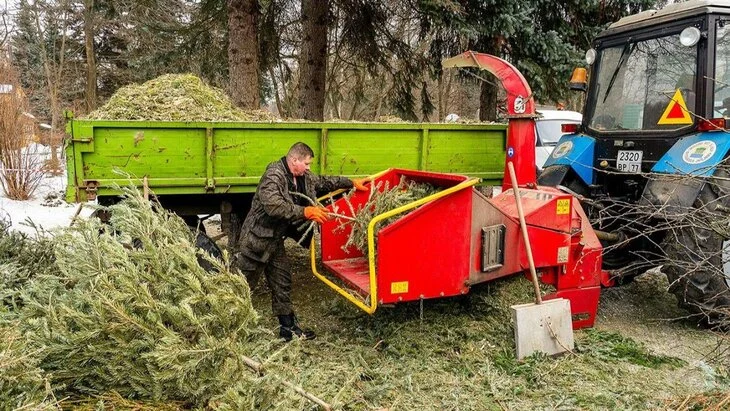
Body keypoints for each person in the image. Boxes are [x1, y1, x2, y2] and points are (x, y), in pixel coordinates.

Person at [235, 142, 368, 341]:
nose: (308, 167)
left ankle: (288, 329)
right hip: (256, 240)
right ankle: (223, 326)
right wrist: (305, 211)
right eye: (306, 163)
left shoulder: (302, 177)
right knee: (240, 285)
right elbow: (273, 205)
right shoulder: (274, 176)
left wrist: (350, 182)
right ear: (294, 160)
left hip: (274, 241)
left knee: (282, 281)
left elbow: (324, 181)